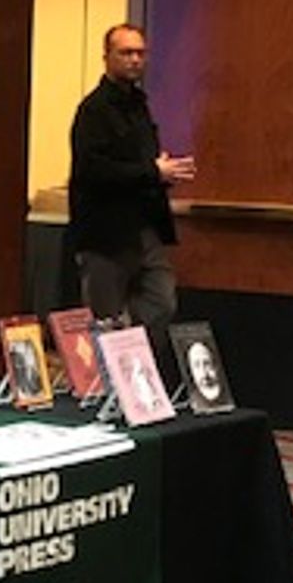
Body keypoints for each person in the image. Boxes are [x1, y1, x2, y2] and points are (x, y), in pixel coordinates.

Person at [67, 25, 194, 378]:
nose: (135, 60)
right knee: (103, 320)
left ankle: (137, 380)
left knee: (162, 302)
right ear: (106, 57)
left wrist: (161, 172)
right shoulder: (93, 111)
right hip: (105, 234)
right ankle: (106, 391)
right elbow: (93, 171)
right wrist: (151, 171)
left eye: (140, 53)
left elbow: (142, 165)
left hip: (145, 227)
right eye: (126, 53)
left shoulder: (139, 106)